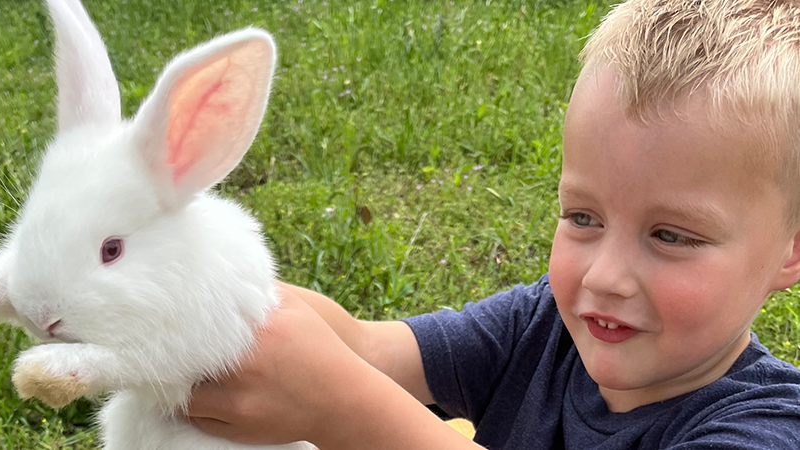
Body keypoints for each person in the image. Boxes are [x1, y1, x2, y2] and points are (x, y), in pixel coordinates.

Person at [184, 0, 800, 448]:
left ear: (789, 251)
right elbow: (368, 349)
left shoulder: (767, 427)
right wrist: (208, 293)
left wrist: (344, 410)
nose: (605, 276)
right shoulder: (543, 326)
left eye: (670, 235)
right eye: (583, 217)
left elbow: (353, 387)